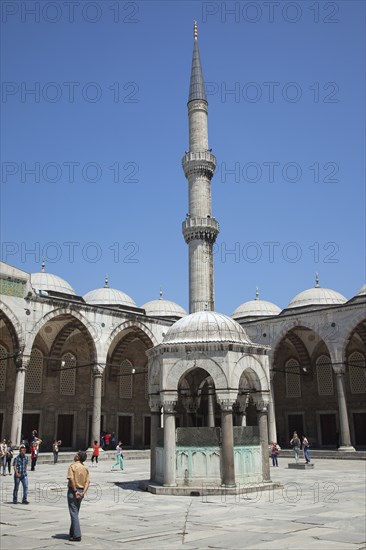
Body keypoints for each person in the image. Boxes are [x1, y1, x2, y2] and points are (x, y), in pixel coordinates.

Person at [66, 451, 90, 542]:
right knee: (75, 512)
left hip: (73, 491)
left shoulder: (72, 466)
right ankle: (72, 532)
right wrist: (83, 492)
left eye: (76, 455)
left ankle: (76, 535)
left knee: (73, 512)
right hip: (81, 491)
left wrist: (75, 491)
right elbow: (88, 482)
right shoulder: (85, 468)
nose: (75, 455)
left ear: (78, 457)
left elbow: (71, 479)